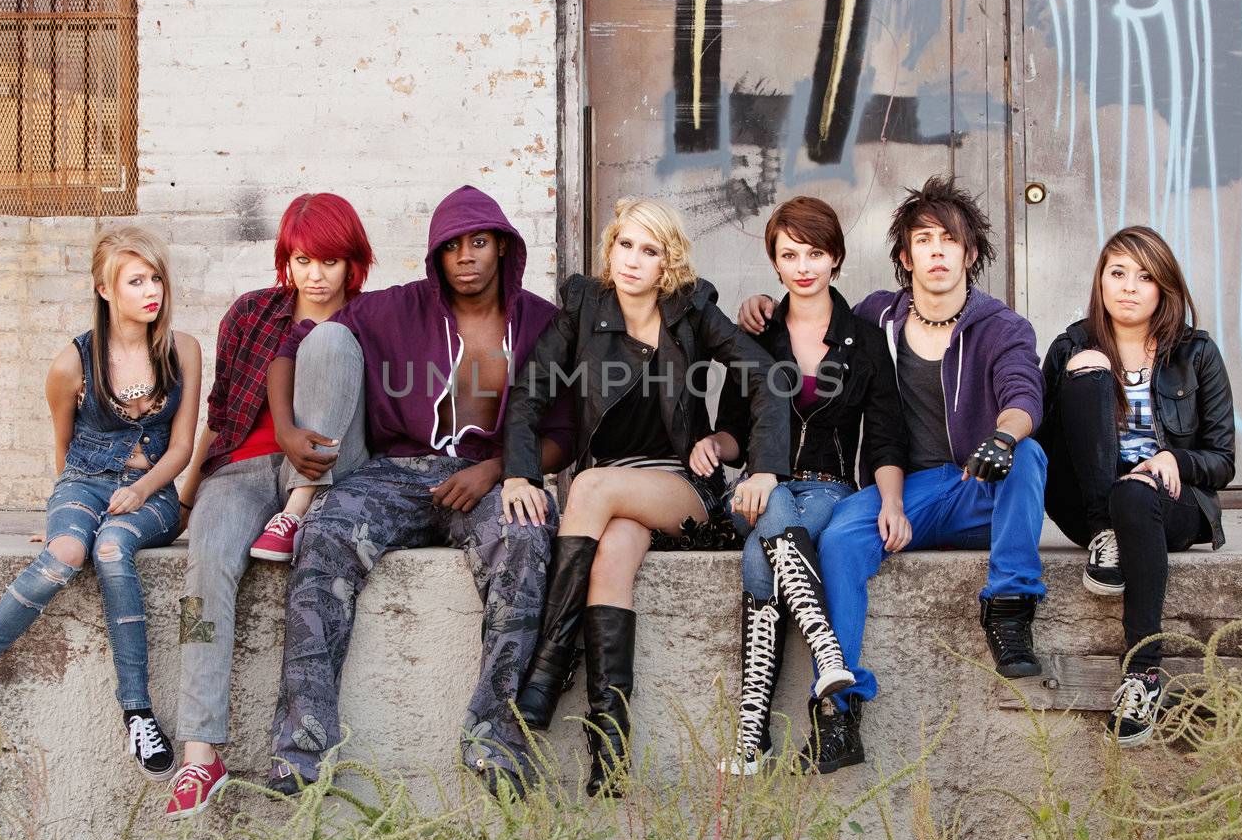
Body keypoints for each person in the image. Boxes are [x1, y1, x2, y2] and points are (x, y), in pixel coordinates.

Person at [269, 184, 575, 799]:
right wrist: (285, 428)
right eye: (453, 246)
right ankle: (302, 751)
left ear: (503, 249)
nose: (466, 257)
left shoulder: (542, 323)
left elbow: (565, 435)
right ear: (436, 255)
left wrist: (494, 470)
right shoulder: (394, 310)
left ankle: (494, 739)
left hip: (494, 477)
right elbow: (291, 349)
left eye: (480, 243)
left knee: (524, 536)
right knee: (326, 534)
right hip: (397, 473)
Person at [737, 177, 1047, 773]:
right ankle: (839, 713)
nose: (936, 251)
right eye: (922, 240)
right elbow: (812, 308)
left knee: (1030, 457)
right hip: (921, 491)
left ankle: (1009, 607)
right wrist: (761, 308)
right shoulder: (876, 317)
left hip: (987, 486)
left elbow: (1022, 394)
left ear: (970, 252)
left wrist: (1004, 436)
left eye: (949, 240)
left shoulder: (1003, 327)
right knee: (840, 537)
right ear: (904, 257)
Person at [502, 198, 788, 796]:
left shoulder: (692, 312)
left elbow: (765, 377)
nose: (633, 260)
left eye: (649, 250)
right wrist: (518, 474)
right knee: (609, 562)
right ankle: (610, 748)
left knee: (589, 484)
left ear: (668, 262)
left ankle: (546, 674)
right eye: (624, 245)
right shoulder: (583, 308)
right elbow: (528, 394)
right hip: (611, 494)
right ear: (610, 250)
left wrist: (762, 469)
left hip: (679, 486)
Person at [0, 227, 201, 783]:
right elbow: (64, 450)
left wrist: (140, 491)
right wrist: (65, 516)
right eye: (136, 280)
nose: (152, 291)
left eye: (156, 278)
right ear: (104, 290)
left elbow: (184, 448)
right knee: (66, 552)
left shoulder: (182, 349)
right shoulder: (72, 362)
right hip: (84, 483)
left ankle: (137, 712)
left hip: (155, 492)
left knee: (114, 548)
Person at [166, 193, 374, 819]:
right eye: (304, 259)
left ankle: (301, 507)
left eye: (330, 261)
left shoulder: (374, 318)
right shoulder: (253, 313)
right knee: (203, 575)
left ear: (352, 263)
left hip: (331, 464)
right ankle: (201, 754)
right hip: (242, 470)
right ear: (287, 257)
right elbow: (220, 415)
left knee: (329, 345)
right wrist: (186, 495)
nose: (315, 274)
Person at [701, 196, 907, 774]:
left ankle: (751, 737)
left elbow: (887, 440)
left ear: (835, 257)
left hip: (829, 491)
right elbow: (735, 434)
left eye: (815, 252)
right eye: (789, 254)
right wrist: (713, 447)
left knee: (762, 557)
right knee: (769, 501)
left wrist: (890, 501)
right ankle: (827, 652)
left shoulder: (865, 341)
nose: (803, 266)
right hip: (757, 490)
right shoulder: (757, 336)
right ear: (774, 261)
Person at [1037, 226, 1234, 747]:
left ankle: (1142, 675)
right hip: (1087, 507)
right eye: (1118, 273)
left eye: (1145, 277)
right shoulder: (1071, 344)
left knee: (1133, 491)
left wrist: (1176, 457)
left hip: (1169, 505)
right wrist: (1074, 381)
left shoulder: (1197, 353)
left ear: (1164, 287)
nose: (1129, 287)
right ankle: (1106, 537)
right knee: (1090, 374)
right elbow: (1042, 443)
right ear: (1101, 281)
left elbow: (1223, 460)